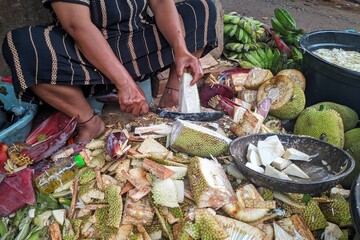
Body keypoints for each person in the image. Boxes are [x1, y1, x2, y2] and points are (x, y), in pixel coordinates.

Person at [2, 0, 217, 142]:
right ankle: (88, 121)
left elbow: (161, 3)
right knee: (22, 44)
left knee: (201, 10)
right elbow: (78, 25)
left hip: (135, 43)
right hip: (84, 54)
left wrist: (180, 49)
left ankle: (173, 94)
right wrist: (125, 83)